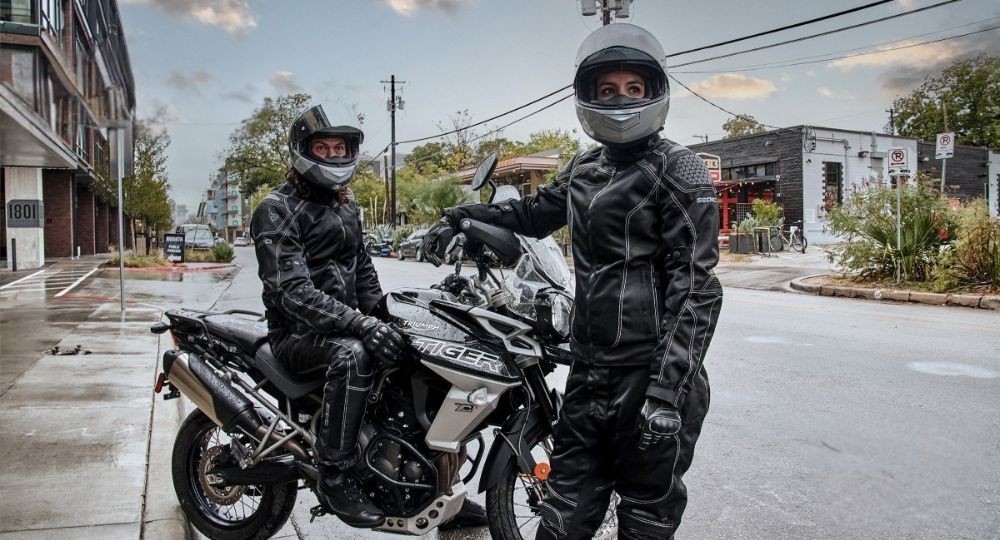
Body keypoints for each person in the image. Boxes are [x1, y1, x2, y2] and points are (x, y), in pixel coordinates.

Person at [422, 23, 722, 540]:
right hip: (588, 373)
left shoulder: (678, 169)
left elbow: (695, 289)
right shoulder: (585, 167)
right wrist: (460, 216)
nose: (621, 100)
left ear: (655, 92)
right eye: (607, 90)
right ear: (587, 96)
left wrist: (666, 391)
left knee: (646, 518)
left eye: (633, 89)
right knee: (561, 514)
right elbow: (532, 213)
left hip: (649, 377)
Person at [251, 105, 487, 530]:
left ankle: (437, 490)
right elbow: (291, 292)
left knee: (428, 351)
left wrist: (395, 316)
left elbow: (362, 274)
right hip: (297, 335)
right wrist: (362, 325)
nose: (332, 154)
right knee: (354, 356)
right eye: (321, 147)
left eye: (339, 147)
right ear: (302, 152)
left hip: (341, 324)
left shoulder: (348, 206)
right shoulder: (276, 209)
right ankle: (335, 472)